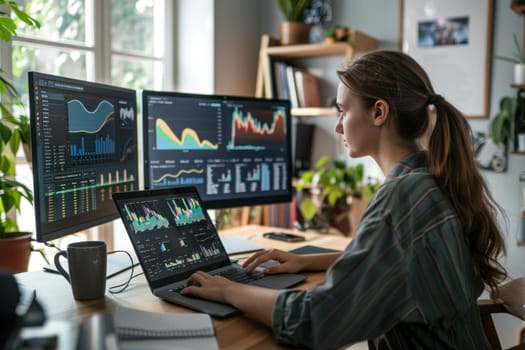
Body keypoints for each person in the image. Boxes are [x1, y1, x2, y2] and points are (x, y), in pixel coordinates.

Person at [181, 50, 507, 349]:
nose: (338, 126)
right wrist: (309, 260)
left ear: (379, 111)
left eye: (343, 111)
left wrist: (228, 290)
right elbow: (399, 263)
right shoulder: (427, 182)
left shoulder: (400, 200)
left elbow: (319, 320)